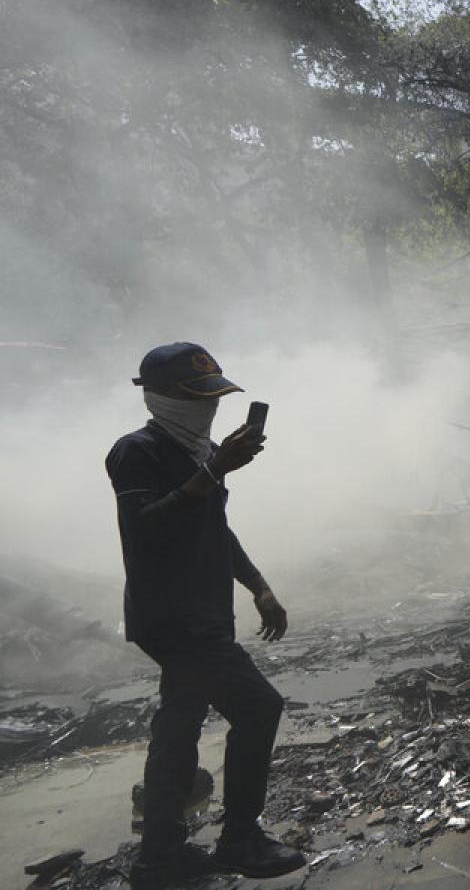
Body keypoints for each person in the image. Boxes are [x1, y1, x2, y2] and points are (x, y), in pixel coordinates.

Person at [107, 343, 305, 888]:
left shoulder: (200, 449)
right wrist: (215, 468)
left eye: (213, 397)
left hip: (205, 611)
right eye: (198, 398)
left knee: (179, 724)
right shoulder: (136, 452)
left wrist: (258, 586)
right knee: (260, 707)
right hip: (175, 618)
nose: (209, 409)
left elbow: (213, 526)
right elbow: (148, 528)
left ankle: (159, 858)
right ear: (162, 396)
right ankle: (240, 837)